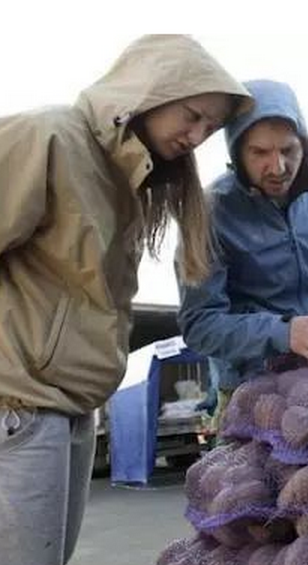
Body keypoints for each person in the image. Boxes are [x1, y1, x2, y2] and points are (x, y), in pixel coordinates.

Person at [0, 35, 251, 565]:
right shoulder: (47, 137)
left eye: (209, 127)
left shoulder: (127, 182)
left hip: (71, 409)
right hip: (19, 403)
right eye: (192, 114)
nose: (197, 134)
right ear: (150, 91)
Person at [177, 80, 308, 412]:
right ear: (237, 152)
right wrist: (284, 333)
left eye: (288, 150)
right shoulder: (207, 211)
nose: (278, 167)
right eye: (260, 153)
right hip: (247, 390)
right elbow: (200, 325)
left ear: (304, 145)